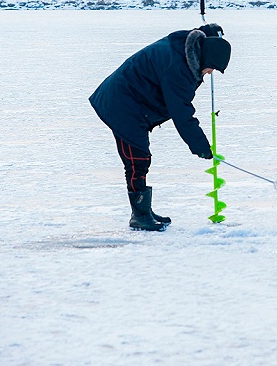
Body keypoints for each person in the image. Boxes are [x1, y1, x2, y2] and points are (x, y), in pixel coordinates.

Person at [89, 24, 231, 231]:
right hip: (122, 104)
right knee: (137, 160)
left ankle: (144, 211)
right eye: (211, 69)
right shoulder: (178, 68)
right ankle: (140, 216)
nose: (209, 74)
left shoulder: (187, 46)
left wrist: (209, 31)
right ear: (205, 59)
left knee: (140, 159)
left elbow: (199, 37)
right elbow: (181, 112)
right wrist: (201, 146)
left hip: (134, 101)